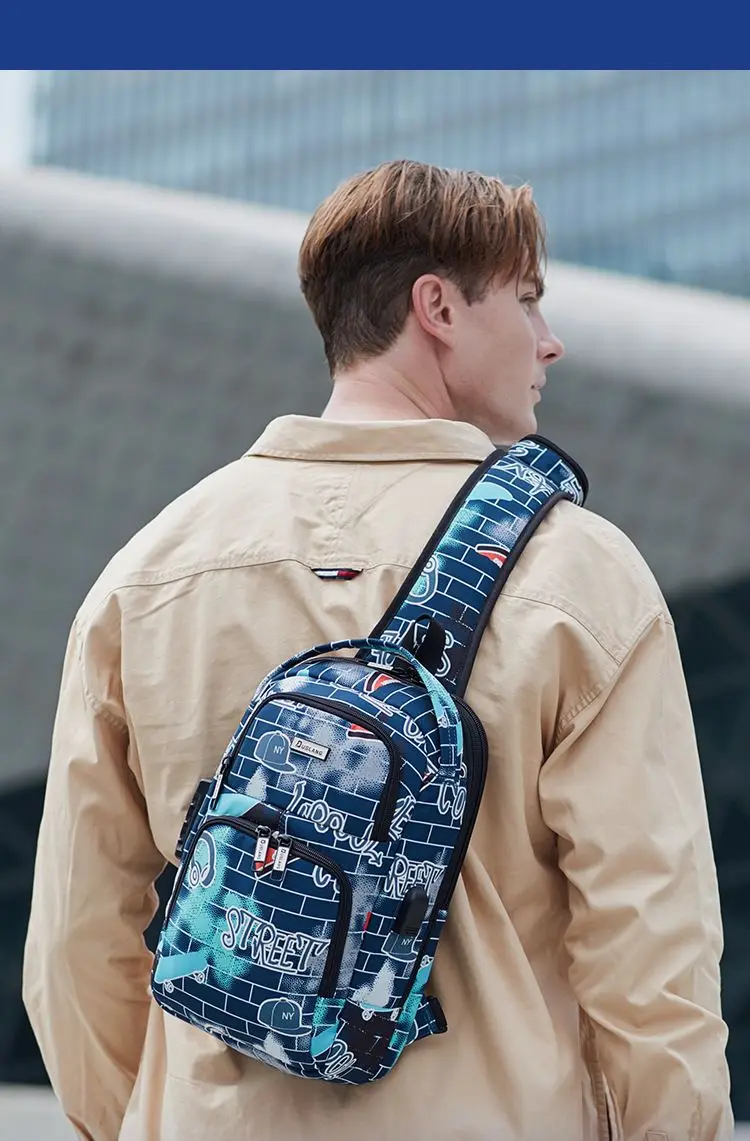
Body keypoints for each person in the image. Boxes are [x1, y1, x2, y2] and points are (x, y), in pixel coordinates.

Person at [23, 159, 733, 1141]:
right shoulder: (579, 575)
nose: (550, 340)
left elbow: (76, 940)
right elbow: (649, 944)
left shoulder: (147, 575)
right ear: (436, 307)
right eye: (527, 299)